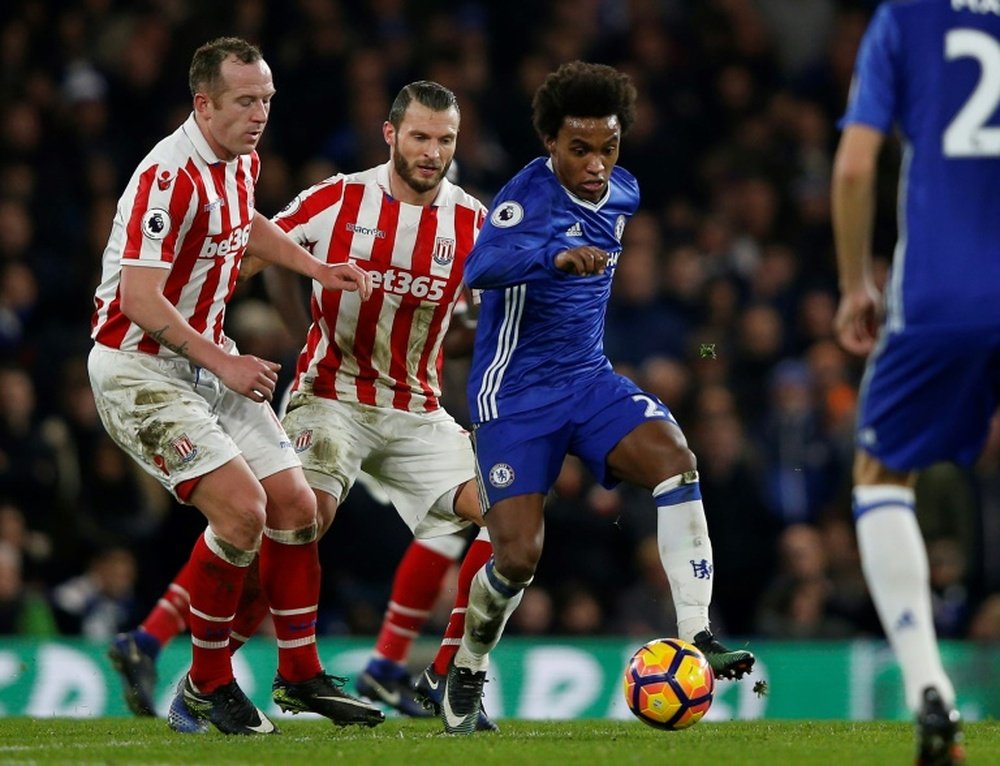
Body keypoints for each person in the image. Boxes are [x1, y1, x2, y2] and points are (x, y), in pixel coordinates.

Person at [108, 80, 499, 730]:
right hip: (331, 398)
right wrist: (205, 324)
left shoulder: (472, 224)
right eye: (421, 136)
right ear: (391, 135)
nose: (432, 151)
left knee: (506, 517)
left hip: (416, 410)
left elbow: (476, 325)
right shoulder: (337, 198)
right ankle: (198, 672)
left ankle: (454, 678)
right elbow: (250, 256)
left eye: (445, 140)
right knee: (294, 522)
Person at [439, 60, 756, 735]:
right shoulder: (524, 198)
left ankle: (697, 632)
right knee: (519, 556)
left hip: (587, 379)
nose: (594, 163)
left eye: (606, 148)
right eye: (578, 148)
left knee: (676, 458)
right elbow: (482, 265)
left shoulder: (625, 194)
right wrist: (552, 256)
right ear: (550, 143)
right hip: (513, 396)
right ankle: (464, 670)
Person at [89, 36, 384, 735]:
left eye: (266, 101)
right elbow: (137, 298)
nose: (260, 114)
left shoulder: (239, 159)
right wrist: (224, 363)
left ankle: (299, 673)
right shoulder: (167, 175)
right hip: (138, 369)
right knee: (244, 511)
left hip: (201, 360)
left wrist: (316, 267)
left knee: (298, 508)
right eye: (246, 101)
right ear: (204, 104)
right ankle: (208, 687)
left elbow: (243, 224)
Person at [830, 3, 1000, 764]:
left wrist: (851, 284)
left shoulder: (906, 17)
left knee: (879, 473)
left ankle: (929, 688)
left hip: (941, 292)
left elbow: (857, 164)